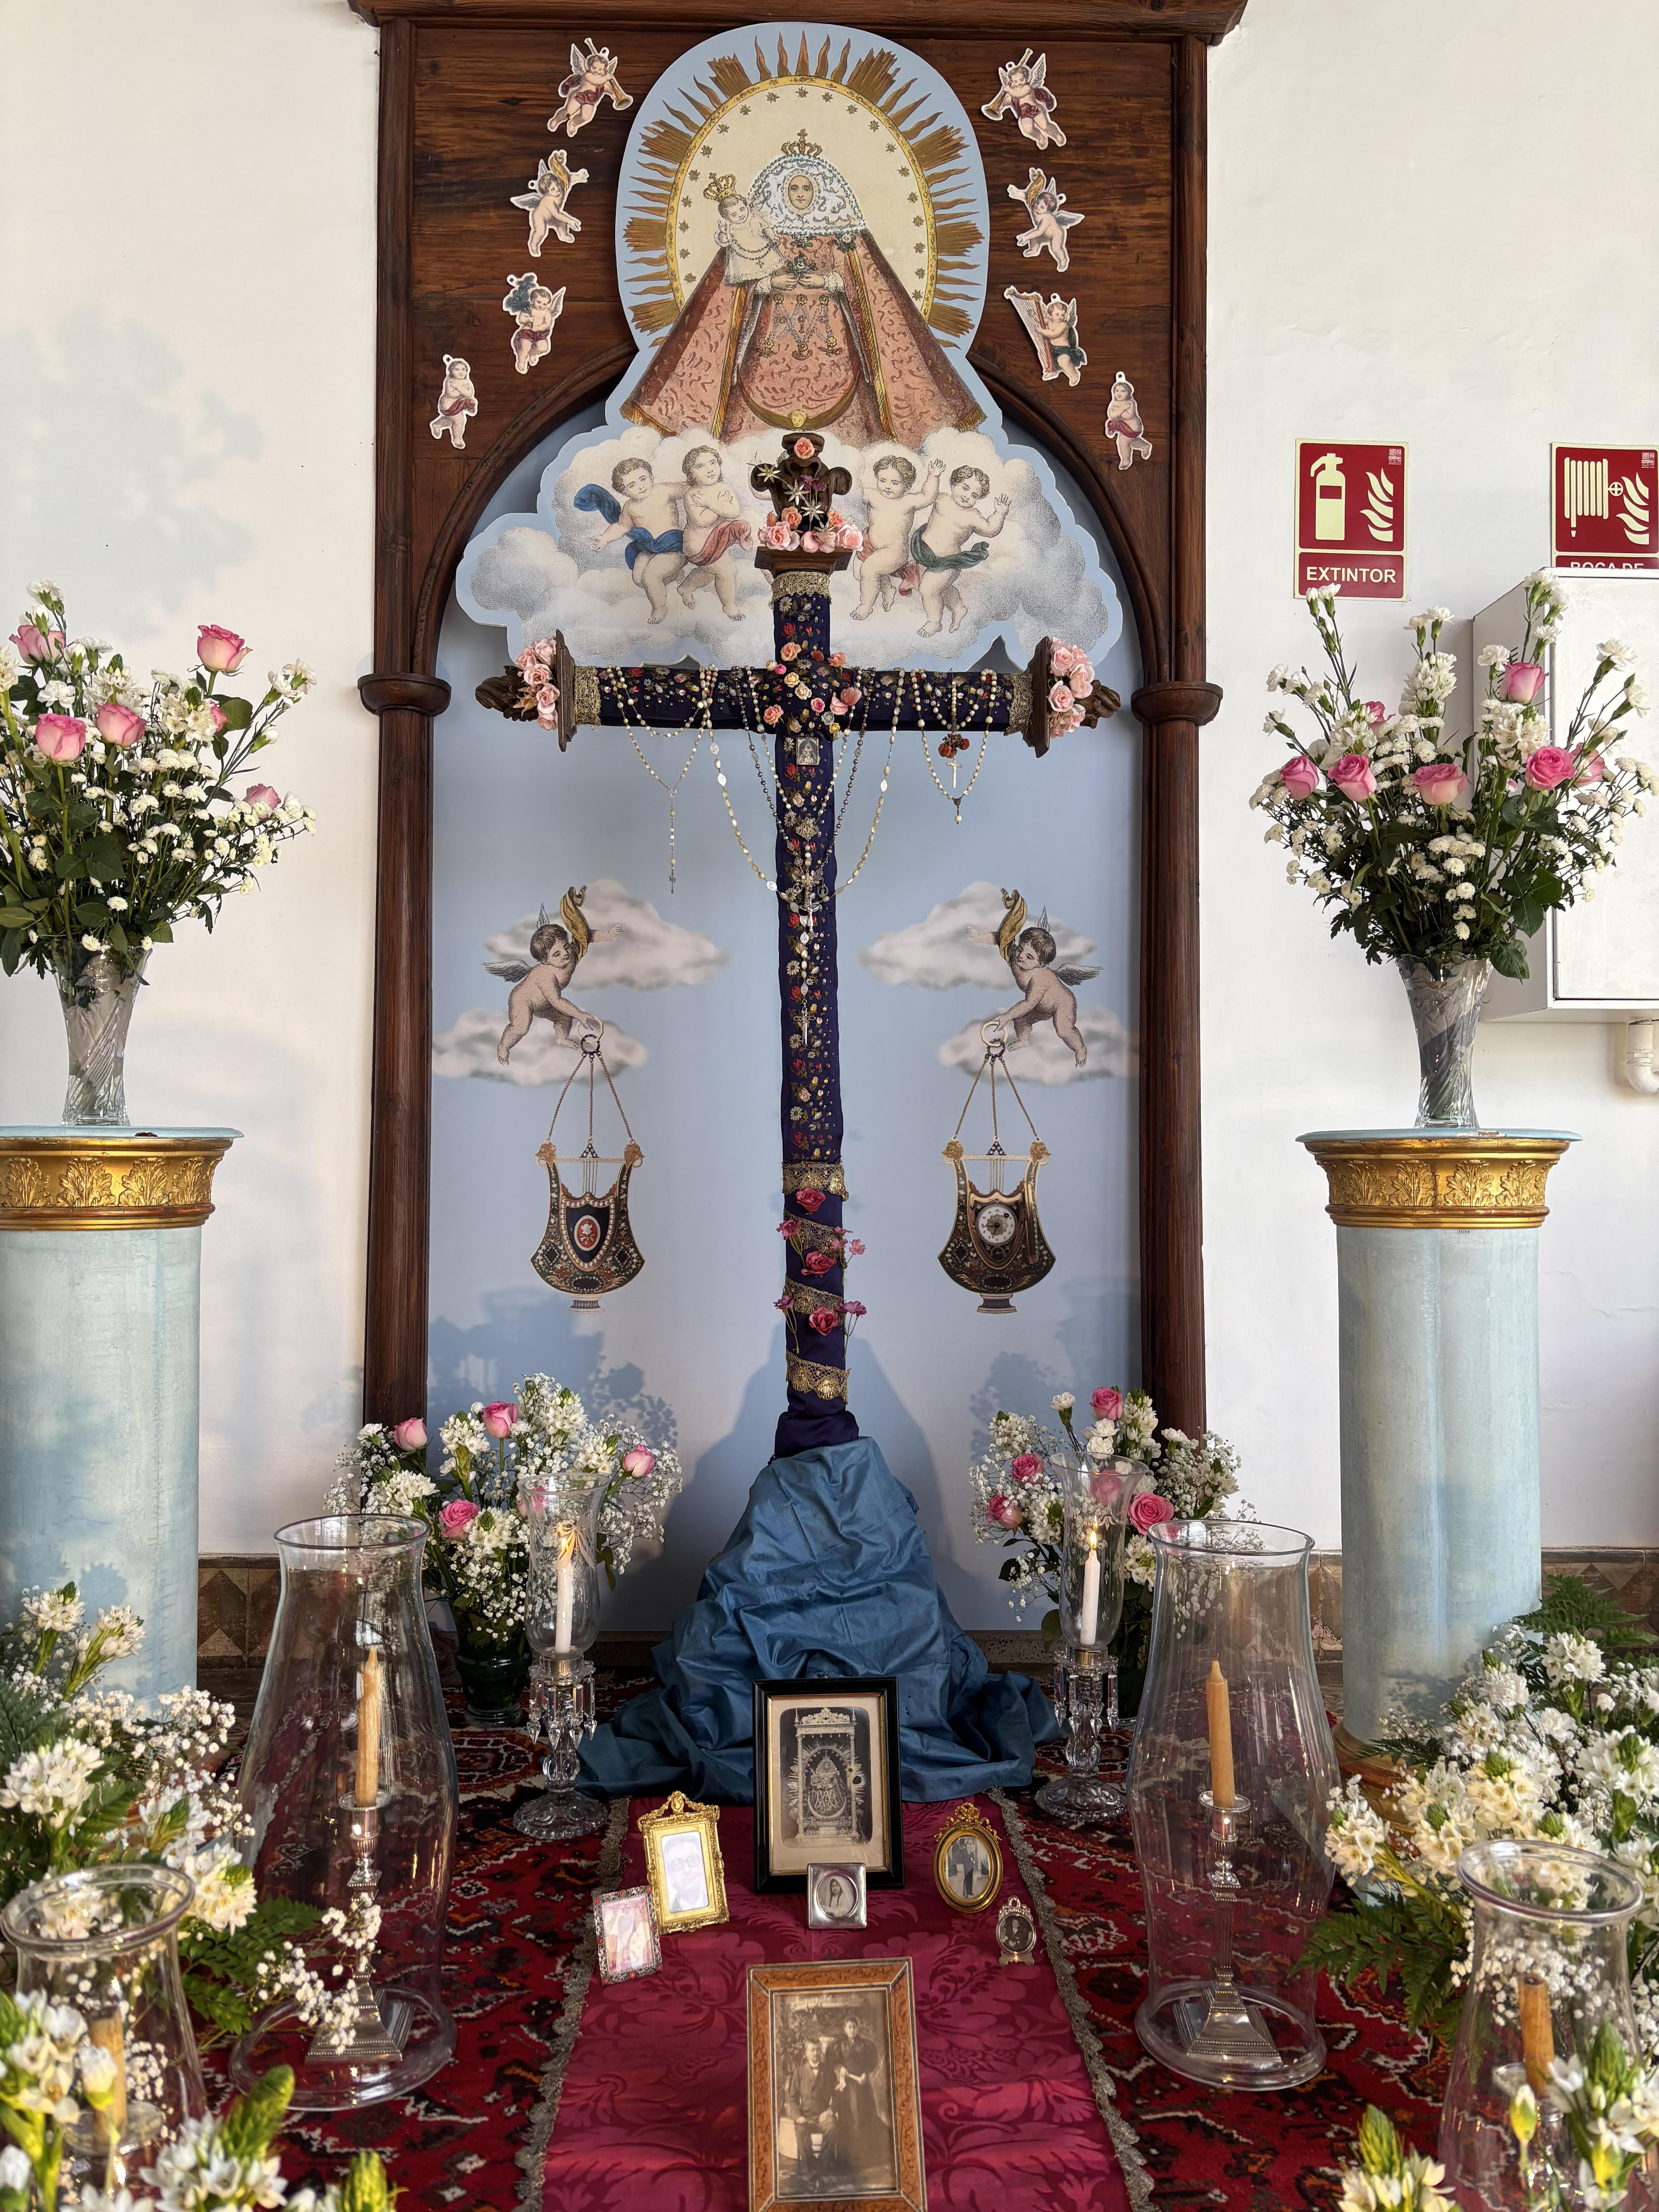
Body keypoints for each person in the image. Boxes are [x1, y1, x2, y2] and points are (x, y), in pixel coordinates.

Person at [623, 139, 982, 448]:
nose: (799, 196)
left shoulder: (843, 233)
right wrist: (767, 284)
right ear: (782, 191)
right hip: (770, 338)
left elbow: (870, 290)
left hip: (832, 339)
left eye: (807, 189)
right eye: (794, 189)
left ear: (820, 192)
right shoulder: (757, 231)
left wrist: (830, 283)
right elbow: (732, 289)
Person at [968, 888, 1099, 1068]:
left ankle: (1080, 1049)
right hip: (1040, 1006)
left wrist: (1006, 1016)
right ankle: (1023, 1040)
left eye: (1030, 957)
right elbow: (1002, 939)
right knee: (1021, 1019)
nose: (1021, 956)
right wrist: (980, 938)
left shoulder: (1040, 979)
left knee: (1063, 1030)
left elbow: (1029, 1003)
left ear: (1041, 964)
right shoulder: (1016, 958)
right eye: (1021, 949)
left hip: (1061, 1004)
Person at [490, 887, 620, 1066]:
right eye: (556, 954)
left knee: (565, 1017)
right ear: (545, 960)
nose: (565, 954)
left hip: (545, 1003)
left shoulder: (571, 955)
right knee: (522, 1027)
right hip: (524, 1001)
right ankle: (504, 1046)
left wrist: (607, 936)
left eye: (565, 947)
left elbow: (585, 936)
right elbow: (557, 1001)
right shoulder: (546, 976)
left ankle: (562, 1038)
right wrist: (581, 1014)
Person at [573, 457, 687, 624]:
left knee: (651, 577)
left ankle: (660, 607)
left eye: (643, 479)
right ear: (625, 492)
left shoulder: (664, 491)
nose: (641, 486)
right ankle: (674, 575)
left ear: (651, 477)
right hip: (649, 549)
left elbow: (687, 490)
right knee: (639, 579)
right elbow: (622, 526)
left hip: (673, 547)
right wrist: (605, 538)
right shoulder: (630, 508)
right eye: (632, 485)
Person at [912, 465, 1010, 637]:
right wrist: (934, 476)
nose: (968, 496)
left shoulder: (972, 515)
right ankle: (958, 608)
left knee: (928, 589)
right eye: (965, 488)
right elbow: (927, 496)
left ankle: (934, 622)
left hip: (949, 562)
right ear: (953, 484)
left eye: (974, 495)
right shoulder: (942, 499)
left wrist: (1000, 514)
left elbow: (990, 530)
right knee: (939, 589)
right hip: (924, 553)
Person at [852, 454, 938, 618]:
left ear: (907, 485)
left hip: (894, 551)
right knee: (860, 575)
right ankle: (887, 589)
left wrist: (934, 476)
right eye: (883, 481)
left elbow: (928, 497)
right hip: (870, 543)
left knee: (869, 570)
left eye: (895, 483)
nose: (887, 487)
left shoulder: (908, 502)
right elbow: (854, 490)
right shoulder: (872, 494)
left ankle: (866, 606)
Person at [675, 445, 751, 620]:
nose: (710, 469)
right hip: (699, 547)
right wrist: (717, 504)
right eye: (700, 466)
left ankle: (686, 587)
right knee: (728, 572)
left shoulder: (724, 488)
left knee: (711, 573)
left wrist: (711, 503)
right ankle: (729, 606)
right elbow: (703, 521)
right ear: (691, 474)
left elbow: (734, 512)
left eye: (713, 463)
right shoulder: (692, 494)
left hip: (717, 543)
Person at [548, 40, 632, 138]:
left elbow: (608, 89)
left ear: (604, 70)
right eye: (594, 68)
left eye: (600, 70)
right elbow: (596, 81)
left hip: (590, 101)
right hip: (578, 96)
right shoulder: (588, 75)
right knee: (568, 112)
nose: (597, 71)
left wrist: (615, 95)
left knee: (586, 117)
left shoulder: (603, 80)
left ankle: (573, 124)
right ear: (589, 66)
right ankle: (557, 120)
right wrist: (606, 78)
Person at [510, 151, 587, 255]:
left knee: (561, 223)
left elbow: (568, 180)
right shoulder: (549, 201)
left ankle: (563, 235)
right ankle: (534, 244)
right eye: (553, 189)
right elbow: (558, 215)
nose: (557, 189)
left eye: (557, 184)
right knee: (541, 231)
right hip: (541, 217)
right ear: (547, 194)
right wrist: (571, 221)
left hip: (553, 216)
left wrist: (579, 177)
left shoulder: (561, 188)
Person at [503, 276, 565, 375]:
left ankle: (533, 353)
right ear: (533, 301)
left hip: (540, 334)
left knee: (544, 348)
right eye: (539, 302)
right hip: (527, 332)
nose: (541, 305)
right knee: (525, 347)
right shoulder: (529, 309)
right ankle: (522, 361)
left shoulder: (547, 313)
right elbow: (521, 319)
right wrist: (529, 319)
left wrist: (539, 328)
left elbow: (547, 324)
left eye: (544, 304)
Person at [1106, 372, 1153, 471]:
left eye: (1123, 391)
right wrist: (1121, 410)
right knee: (1130, 443)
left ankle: (1126, 460)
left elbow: (1128, 416)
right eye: (1117, 391)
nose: (1119, 393)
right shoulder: (1114, 403)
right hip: (1125, 429)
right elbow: (1112, 415)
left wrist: (1120, 411)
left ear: (1128, 394)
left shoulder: (1130, 403)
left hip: (1133, 428)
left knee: (1123, 442)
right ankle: (1145, 446)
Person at [428, 356, 477, 450]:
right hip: (448, 406)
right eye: (457, 370)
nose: (461, 372)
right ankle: (457, 439)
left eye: (463, 369)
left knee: (452, 421)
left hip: (458, 406)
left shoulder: (466, 382)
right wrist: (462, 390)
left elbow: (470, 394)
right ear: (451, 372)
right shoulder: (450, 381)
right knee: (459, 421)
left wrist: (459, 389)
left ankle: (437, 425)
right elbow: (453, 394)